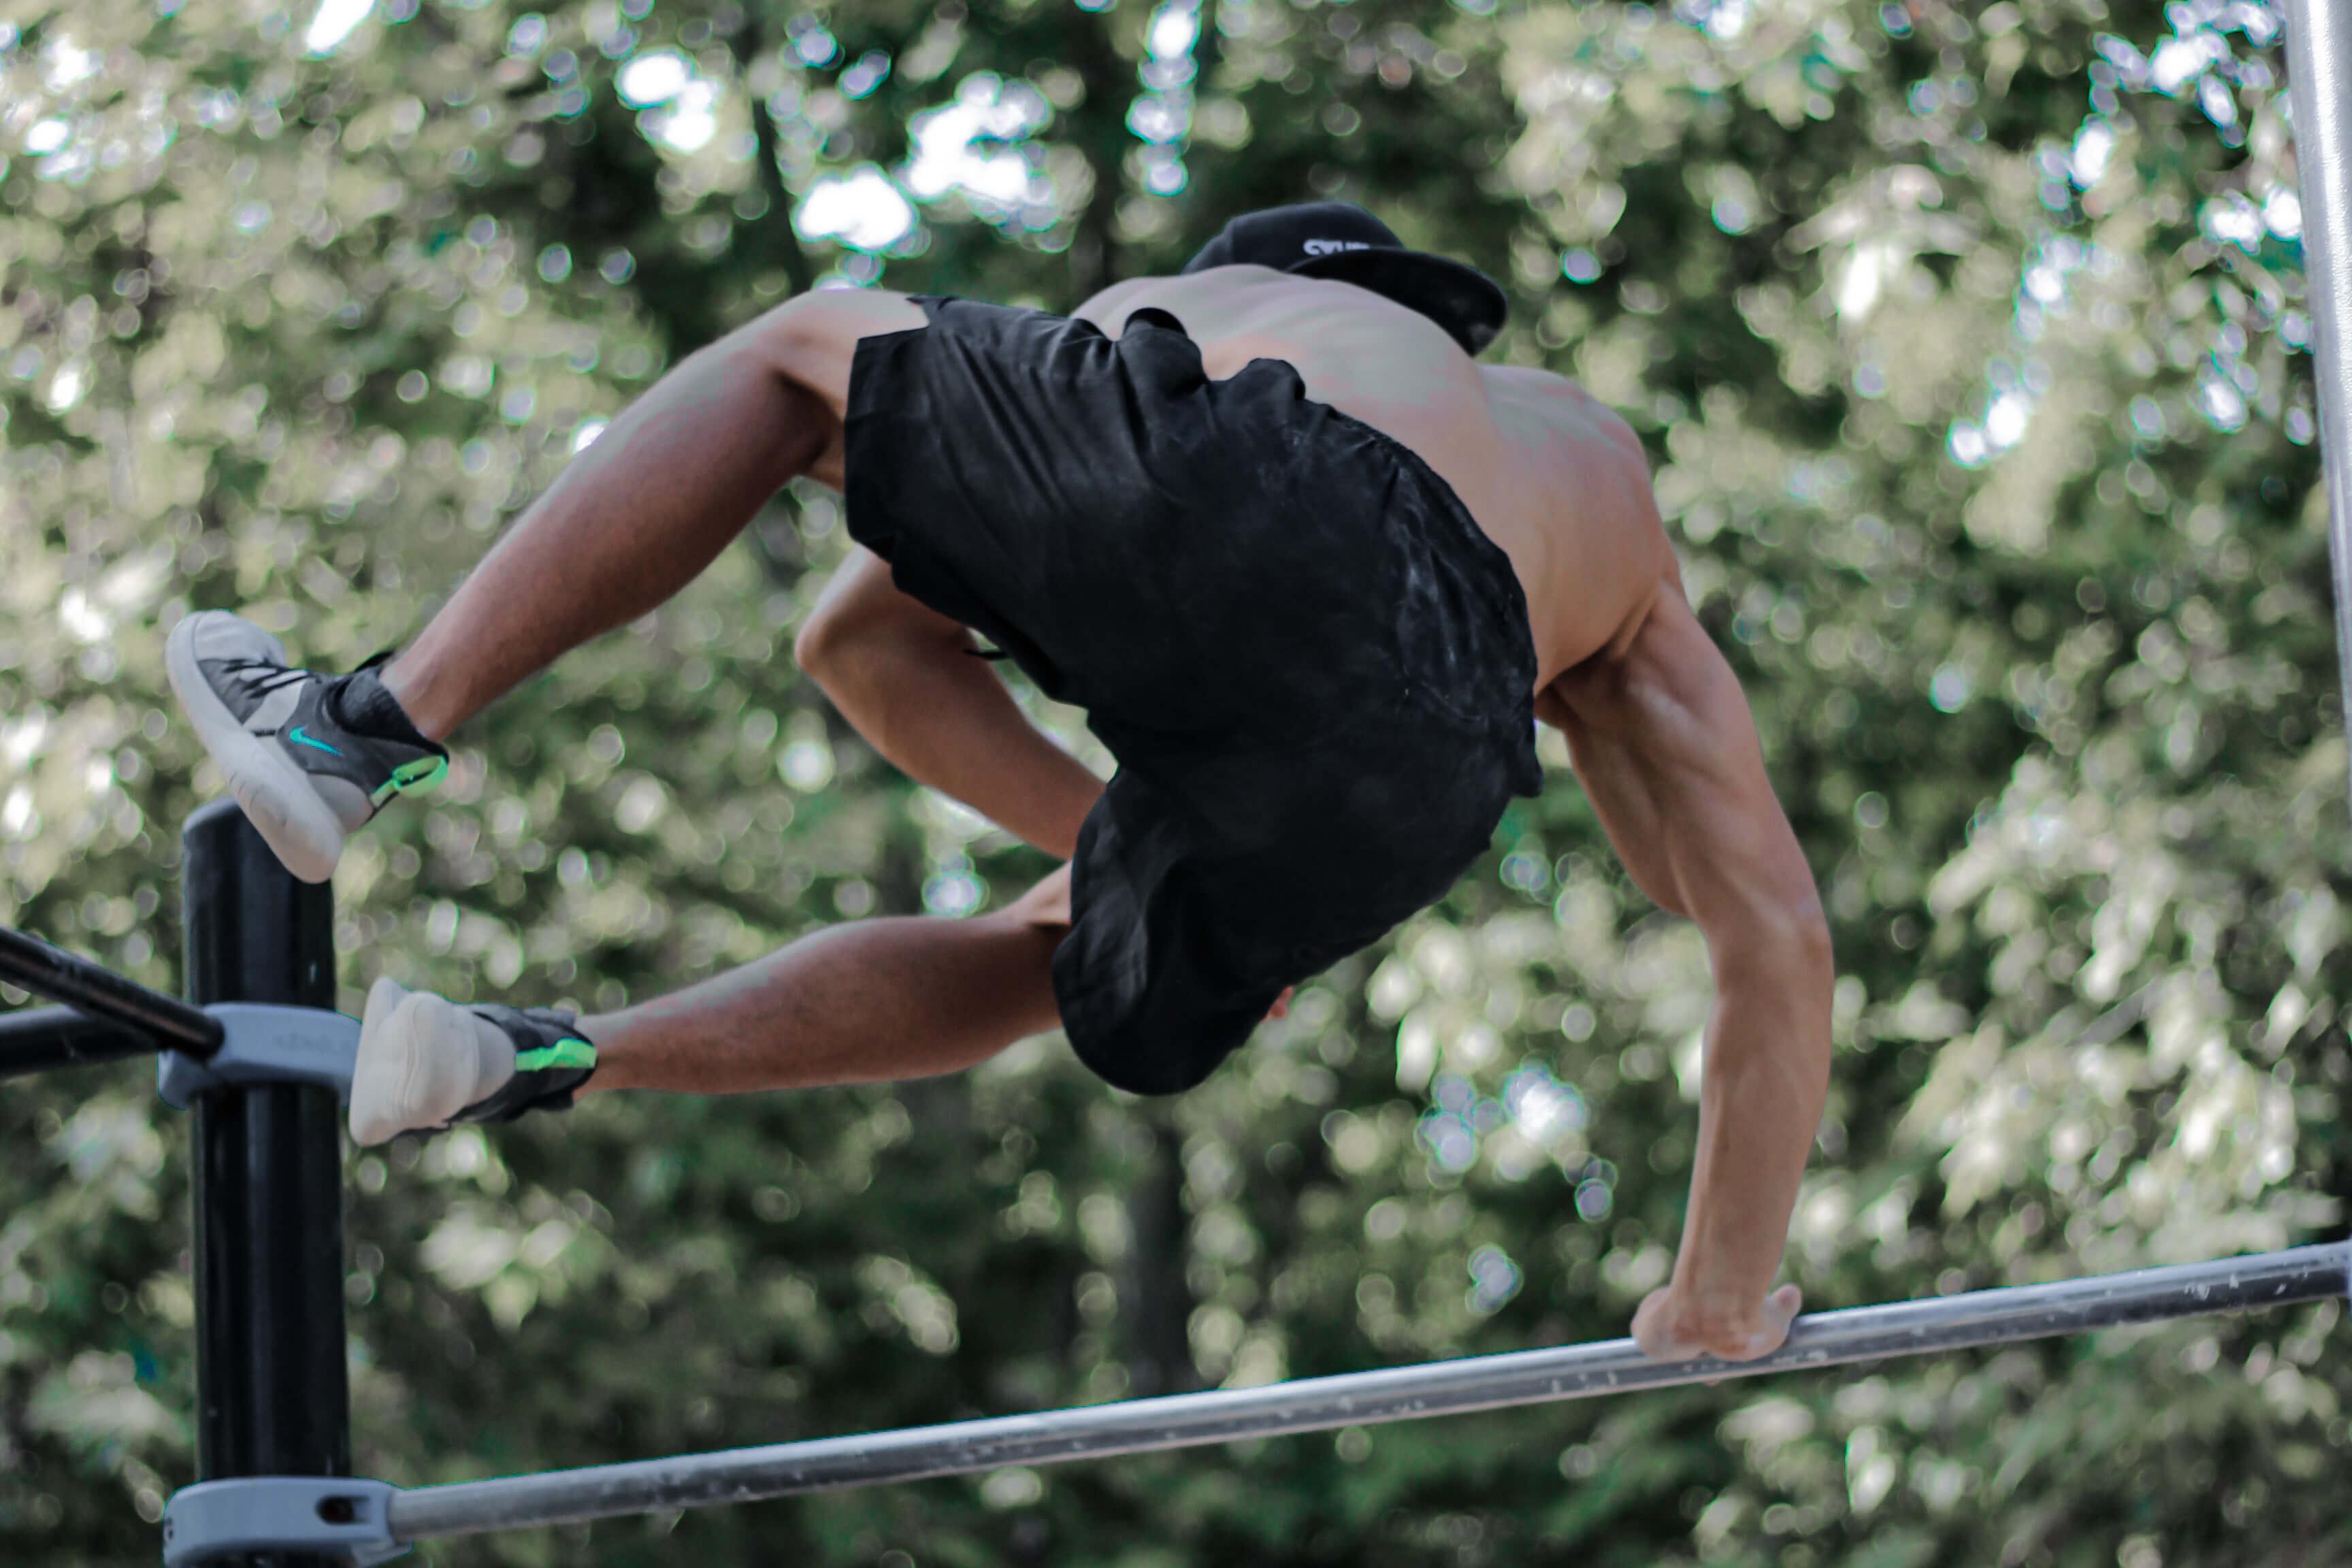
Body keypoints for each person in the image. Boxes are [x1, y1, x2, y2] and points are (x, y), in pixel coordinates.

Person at [167, 201, 1830, 1365]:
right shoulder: (1595, 478)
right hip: (1443, 748)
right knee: (1074, 943)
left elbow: (863, 654)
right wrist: (1720, 1291)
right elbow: (1772, 944)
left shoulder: (1214, 338)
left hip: (1284, 511)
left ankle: (357, 732)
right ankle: (536, 1056)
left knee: (797, 355)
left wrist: (1086, 806)